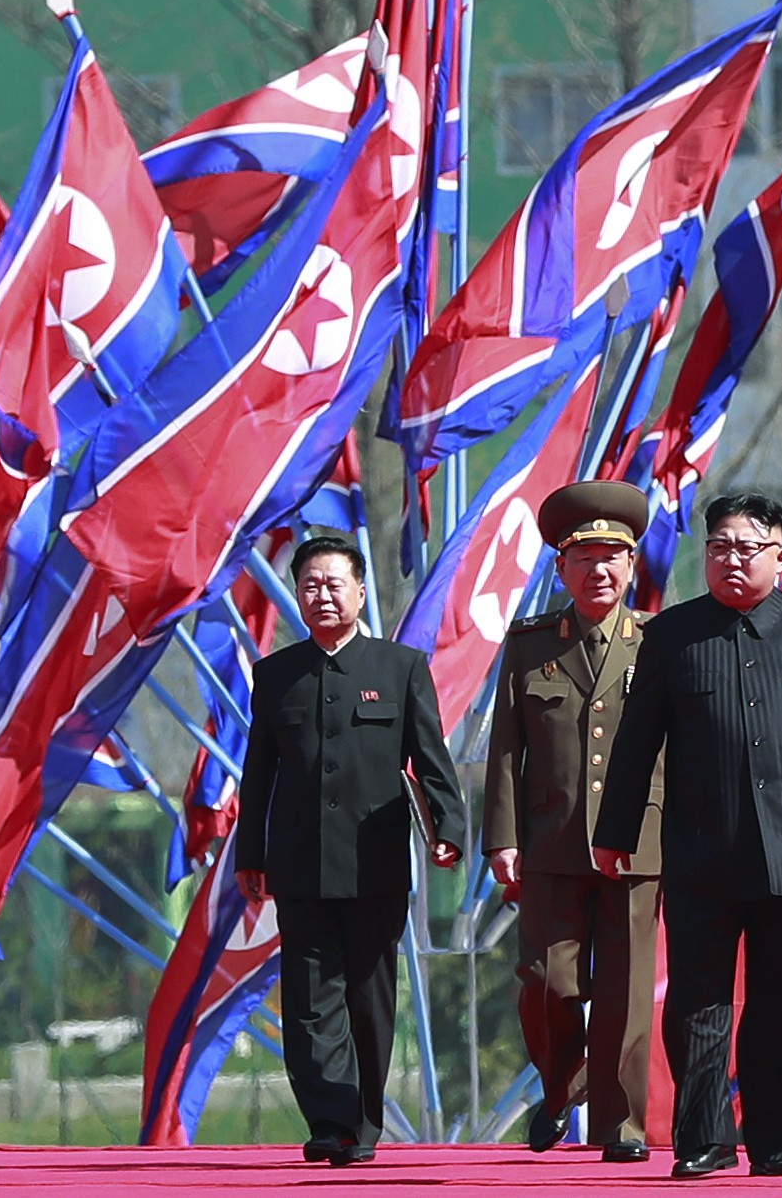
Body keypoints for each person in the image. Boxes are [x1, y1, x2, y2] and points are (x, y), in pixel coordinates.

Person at [593, 492, 782, 1179]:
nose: (731, 559)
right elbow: (636, 739)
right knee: (698, 1003)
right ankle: (704, 1137)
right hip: (700, 850)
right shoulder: (673, 635)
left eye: (747, 548)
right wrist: (616, 830)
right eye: (719, 546)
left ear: (779, 558)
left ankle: (779, 1139)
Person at [235, 536, 466, 1166]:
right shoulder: (275, 675)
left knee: (369, 996)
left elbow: (431, 760)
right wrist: (250, 853)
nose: (322, 595)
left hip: (376, 862)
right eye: (310, 585)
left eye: (334, 583)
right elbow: (258, 774)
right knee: (310, 1000)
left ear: (360, 592)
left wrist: (448, 829)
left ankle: (363, 1121)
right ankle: (329, 1121)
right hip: (299, 863)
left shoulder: (399, 668)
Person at [482, 480, 660, 1162]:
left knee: (625, 991)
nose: (599, 570)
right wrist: (501, 838)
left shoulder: (658, 642)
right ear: (561, 568)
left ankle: (622, 1124)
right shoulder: (531, 644)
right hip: (551, 841)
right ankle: (564, 1085)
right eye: (584, 558)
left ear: (632, 564)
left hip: (639, 840)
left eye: (612, 557)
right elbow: (506, 747)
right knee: (547, 981)